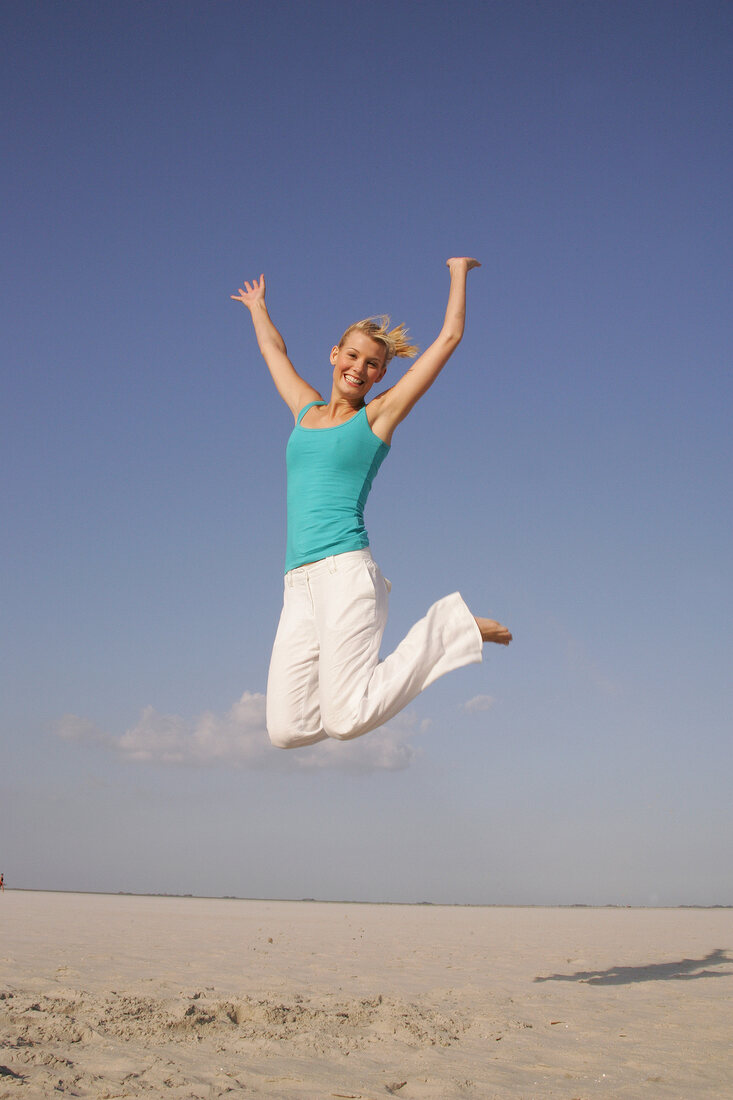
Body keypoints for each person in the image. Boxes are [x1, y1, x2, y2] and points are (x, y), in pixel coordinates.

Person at [231, 258, 511, 749]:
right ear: (335, 355)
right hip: (298, 583)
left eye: (372, 364)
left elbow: (448, 340)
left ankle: (451, 628)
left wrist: (458, 274)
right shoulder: (306, 410)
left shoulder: (376, 420)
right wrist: (257, 307)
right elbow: (274, 352)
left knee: (345, 720)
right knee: (285, 729)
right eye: (353, 356)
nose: (359, 368)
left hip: (345, 573)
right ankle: (348, 685)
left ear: (381, 375)